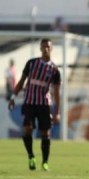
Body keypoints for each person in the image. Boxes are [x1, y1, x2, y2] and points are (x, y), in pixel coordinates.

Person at [8, 38, 61, 171]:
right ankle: (31, 156)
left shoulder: (55, 70)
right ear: (40, 48)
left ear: (51, 49)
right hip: (29, 102)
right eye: (43, 47)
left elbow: (57, 93)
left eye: (48, 47)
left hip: (44, 104)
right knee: (27, 129)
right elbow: (21, 82)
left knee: (45, 133)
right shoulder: (31, 63)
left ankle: (45, 161)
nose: (46, 49)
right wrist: (13, 96)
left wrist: (57, 112)